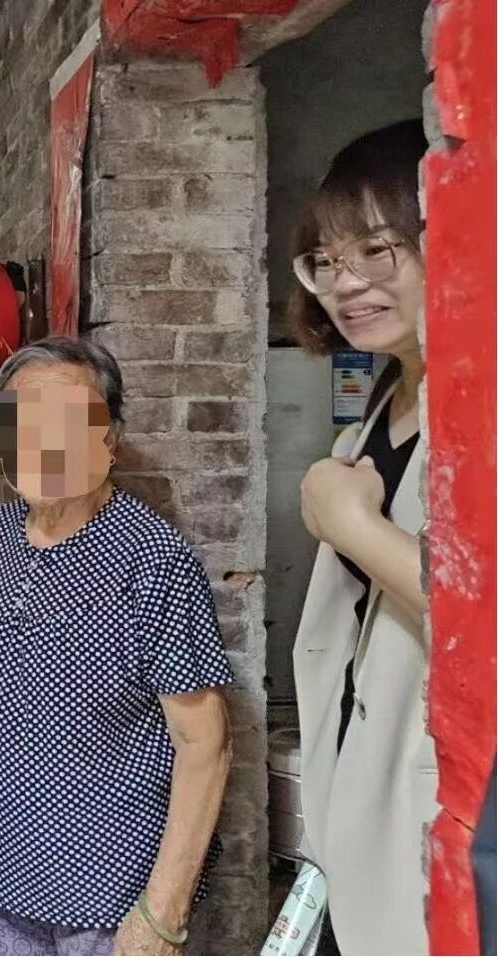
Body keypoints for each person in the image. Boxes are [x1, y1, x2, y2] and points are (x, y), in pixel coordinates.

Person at [0, 337, 233, 957]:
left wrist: (164, 912)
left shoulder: (153, 560)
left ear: (108, 437)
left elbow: (207, 743)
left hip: (110, 899)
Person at [287, 120, 435, 955]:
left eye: (377, 250)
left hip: (442, 824)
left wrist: (353, 526)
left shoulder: (480, 406)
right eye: (326, 259)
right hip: (356, 797)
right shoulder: (378, 411)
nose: (346, 284)